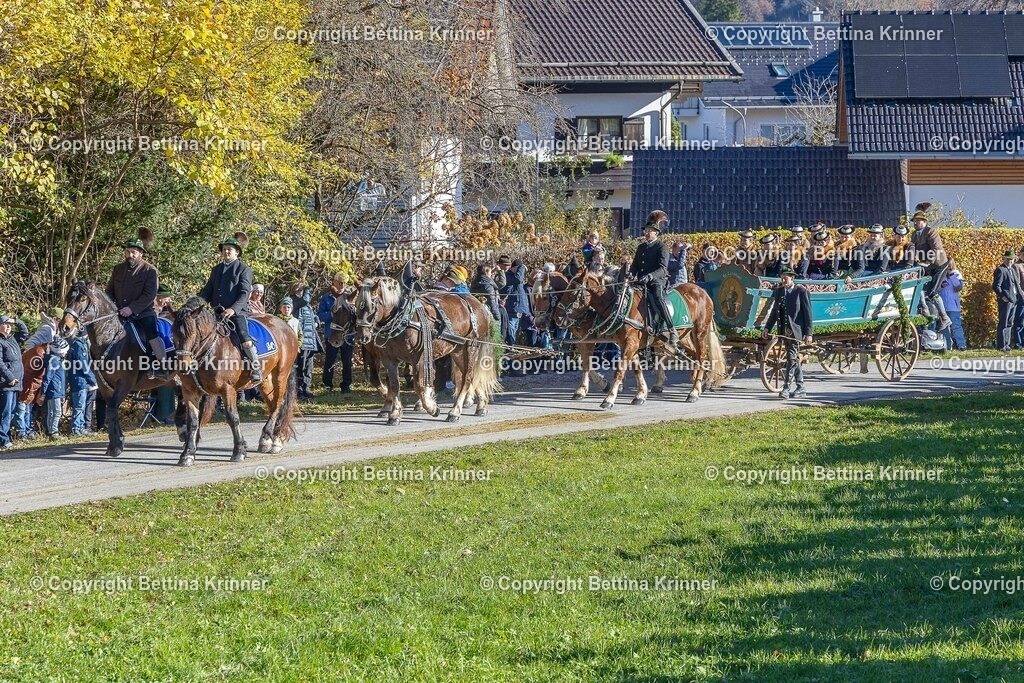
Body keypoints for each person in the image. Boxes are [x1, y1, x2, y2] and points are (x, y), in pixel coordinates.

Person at [198, 232, 261, 383]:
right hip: (217, 313)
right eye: (224, 249)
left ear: (237, 252)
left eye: (229, 249)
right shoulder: (216, 269)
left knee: (244, 338)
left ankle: (256, 368)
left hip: (236, 313)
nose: (226, 251)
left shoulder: (244, 269)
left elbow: (245, 293)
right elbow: (207, 291)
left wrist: (233, 309)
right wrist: (196, 303)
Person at [106, 232, 165, 379]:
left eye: (133, 252)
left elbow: (150, 295)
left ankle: (160, 366)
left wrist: (131, 309)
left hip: (144, 312)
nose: (130, 255)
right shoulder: (118, 269)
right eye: (127, 252)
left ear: (141, 253)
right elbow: (109, 291)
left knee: (151, 332)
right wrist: (110, 308)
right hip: (120, 312)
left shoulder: (150, 270)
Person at [762, 267, 813, 399]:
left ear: (792, 278)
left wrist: (809, 334)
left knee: (791, 358)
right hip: (783, 331)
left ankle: (786, 388)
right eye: (782, 278)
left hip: (796, 332)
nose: (783, 281)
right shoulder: (779, 292)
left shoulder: (801, 292)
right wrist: (767, 328)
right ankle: (801, 387)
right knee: (794, 358)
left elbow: (808, 314)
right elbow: (775, 312)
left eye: (786, 278)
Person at [630, 210, 675, 346]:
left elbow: (663, 269)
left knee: (658, 297)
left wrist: (650, 276)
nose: (647, 233)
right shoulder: (641, 247)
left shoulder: (662, 247)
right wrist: (630, 274)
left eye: (650, 231)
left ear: (656, 233)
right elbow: (635, 265)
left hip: (657, 281)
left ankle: (671, 329)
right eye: (646, 230)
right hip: (641, 282)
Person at [907, 203, 952, 330]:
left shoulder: (931, 232)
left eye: (918, 221)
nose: (915, 223)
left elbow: (937, 249)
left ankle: (945, 318)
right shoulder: (914, 235)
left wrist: (927, 262)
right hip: (927, 267)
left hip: (939, 265)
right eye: (914, 221)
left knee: (932, 292)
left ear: (924, 222)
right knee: (920, 288)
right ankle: (926, 312)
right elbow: (913, 250)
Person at [318, 273, 353, 393]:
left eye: (344, 283)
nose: (342, 285)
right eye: (340, 282)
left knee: (347, 361)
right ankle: (327, 384)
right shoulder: (326, 297)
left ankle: (346, 385)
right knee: (330, 360)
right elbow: (320, 315)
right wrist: (331, 314)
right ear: (334, 282)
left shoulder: (350, 297)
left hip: (347, 334)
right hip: (332, 333)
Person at [291, 282, 324, 401]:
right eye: (299, 290)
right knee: (300, 366)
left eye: (302, 290)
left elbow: (314, 315)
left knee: (309, 366)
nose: (301, 292)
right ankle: (299, 390)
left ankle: (307, 388)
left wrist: (317, 322)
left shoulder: (307, 305)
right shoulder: (294, 301)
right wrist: (307, 288)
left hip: (311, 340)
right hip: (301, 340)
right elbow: (305, 300)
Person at [0, 315, 25, 450]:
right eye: (5, 324)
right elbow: (0, 363)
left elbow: (25, 332)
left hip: (16, 383)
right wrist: (10, 378)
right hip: (6, 383)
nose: (9, 326)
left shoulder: (13, 339)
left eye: (10, 324)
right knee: (5, 412)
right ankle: (3, 440)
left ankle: (7, 437)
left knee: (12, 412)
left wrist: (15, 321)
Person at [67, 329, 98, 435]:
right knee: (79, 406)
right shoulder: (78, 346)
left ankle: (80, 427)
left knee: (82, 405)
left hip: (81, 381)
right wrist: (92, 379)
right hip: (79, 381)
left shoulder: (78, 344)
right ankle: (76, 428)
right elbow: (83, 365)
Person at [39, 338, 68, 438]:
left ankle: (50, 431)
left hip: (56, 390)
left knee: (51, 412)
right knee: (56, 412)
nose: (66, 352)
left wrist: (62, 394)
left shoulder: (56, 360)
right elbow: (47, 378)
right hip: (54, 390)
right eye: (64, 351)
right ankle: (54, 432)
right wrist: (43, 393)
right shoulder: (54, 361)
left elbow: (60, 379)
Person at [993, 250, 1020, 352]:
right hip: (1006, 300)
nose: (1010, 261)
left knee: (1009, 323)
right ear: (1003, 259)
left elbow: (1016, 284)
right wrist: (1002, 296)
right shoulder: (1000, 270)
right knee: (1003, 323)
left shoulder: (1012, 269)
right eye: (1008, 259)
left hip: (1013, 299)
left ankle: (1007, 344)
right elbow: (996, 286)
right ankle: (1001, 345)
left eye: (1011, 259)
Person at [500, 257, 530, 347]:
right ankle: (509, 352)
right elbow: (518, 279)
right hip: (511, 311)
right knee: (510, 334)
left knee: (513, 334)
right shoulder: (508, 276)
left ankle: (511, 349)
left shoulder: (515, 278)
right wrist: (522, 267)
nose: (520, 272)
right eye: (519, 269)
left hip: (517, 311)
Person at [939, 262, 966, 351]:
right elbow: (936, 289)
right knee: (944, 327)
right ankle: (947, 346)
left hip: (953, 306)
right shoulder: (941, 274)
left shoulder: (957, 274)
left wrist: (952, 276)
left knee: (956, 326)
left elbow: (959, 287)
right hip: (943, 305)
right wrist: (942, 286)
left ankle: (961, 345)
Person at [1014, 247, 1024, 349]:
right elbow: (1017, 284)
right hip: (1021, 298)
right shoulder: (1017, 266)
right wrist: (1022, 296)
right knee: (1020, 321)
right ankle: (1019, 342)